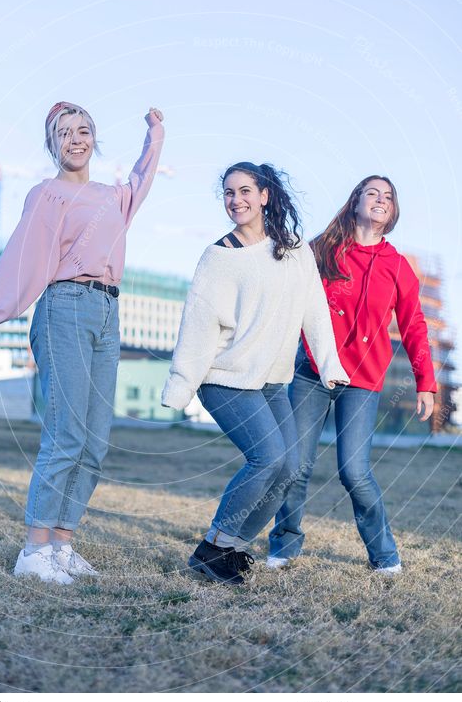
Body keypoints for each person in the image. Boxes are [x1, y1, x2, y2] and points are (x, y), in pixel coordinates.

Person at [0, 101, 165, 583]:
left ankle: (62, 545)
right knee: (66, 432)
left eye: (84, 130)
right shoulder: (46, 194)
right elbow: (21, 258)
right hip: (64, 307)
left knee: (94, 438)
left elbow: (142, 179)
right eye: (64, 132)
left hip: (109, 312)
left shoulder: (114, 197)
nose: (76, 138)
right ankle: (34, 551)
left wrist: (155, 134)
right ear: (52, 145)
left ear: (95, 138)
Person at [162, 162, 348, 586]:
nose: (236, 200)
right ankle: (214, 545)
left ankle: (231, 547)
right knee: (268, 458)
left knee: (293, 466)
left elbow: (314, 311)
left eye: (245, 191)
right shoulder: (219, 256)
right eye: (228, 193)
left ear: (264, 195)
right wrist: (181, 384)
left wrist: (329, 363)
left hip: (271, 381)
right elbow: (198, 324)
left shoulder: (295, 249)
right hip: (224, 377)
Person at [267, 176, 437, 576]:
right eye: (372, 193)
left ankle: (384, 555)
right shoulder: (322, 249)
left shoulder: (398, 266)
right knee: (295, 465)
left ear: (392, 212)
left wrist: (425, 382)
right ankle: (285, 546)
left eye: (388, 196)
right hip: (312, 372)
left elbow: (413, 325)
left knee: (355, 472)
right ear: (356, 201)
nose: (381, 200)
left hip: (363, 381)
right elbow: (287, 298)